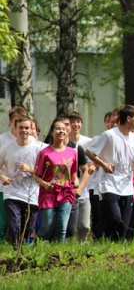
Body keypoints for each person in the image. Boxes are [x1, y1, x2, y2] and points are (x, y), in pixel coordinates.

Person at [85, 105, 134, 241]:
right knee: (114, 218)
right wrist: (104, 164)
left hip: (127, 186)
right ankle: (99, 235)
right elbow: (89, 152)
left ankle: (114, 248)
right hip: (109, 184)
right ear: (128, 118)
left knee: (123, 226)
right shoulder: (109, 135)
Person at [33, 118, 79, 242]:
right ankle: (36, 244)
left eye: (64, 129)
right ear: (52, 132)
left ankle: (58, 253)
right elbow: (35, 175)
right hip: (48, 193)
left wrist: (75, 180)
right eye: (58, 129)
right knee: (47, 227)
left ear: (67, 132)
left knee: (62, 227)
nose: (61, 131)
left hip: (66, 193)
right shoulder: (44, 153)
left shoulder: (72, 152)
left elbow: (74, 172)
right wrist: (45, 184)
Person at [0, 116, 43, 245]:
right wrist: (2, 177)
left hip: (31, 192)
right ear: (15, 128)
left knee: (28, 226)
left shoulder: (38, 149)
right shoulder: (6, 148)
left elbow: (44, 173)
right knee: (14, 223)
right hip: (11, 191)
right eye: (21, 128)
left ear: (31, 130)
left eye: (26, 128)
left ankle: (25, 249)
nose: (23, 130)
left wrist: (29, 169)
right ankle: (15, 250)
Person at [88, 110, 118, 240]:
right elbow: (91, 161)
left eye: (115, 122)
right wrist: (101, 164)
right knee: (100, 217)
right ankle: (98, 240)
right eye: (110, 122)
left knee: (115, 218)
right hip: (99, 185)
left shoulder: (127, 139)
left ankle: (113, 241)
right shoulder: (101, 138)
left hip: (120, 186)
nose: (112, 124)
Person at [0, 105, 29, 240]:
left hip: (26, 187)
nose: (20, 124)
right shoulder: (2, 139)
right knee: (5, 220)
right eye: (15, 120)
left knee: (23, 220)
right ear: (11, 122)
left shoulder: (30, 140)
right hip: (5, 185)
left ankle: (18, 243)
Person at [68, 111, 93, 242]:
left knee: (84, 225)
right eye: (72, 122)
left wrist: (92, 166)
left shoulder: (88, 141)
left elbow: (92, 161)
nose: (75, 124)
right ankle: (65, 246)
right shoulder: (63, 142)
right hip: (66, 188)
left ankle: (81, 244)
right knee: (67, 225)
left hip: (84, 189)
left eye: (78, 121)